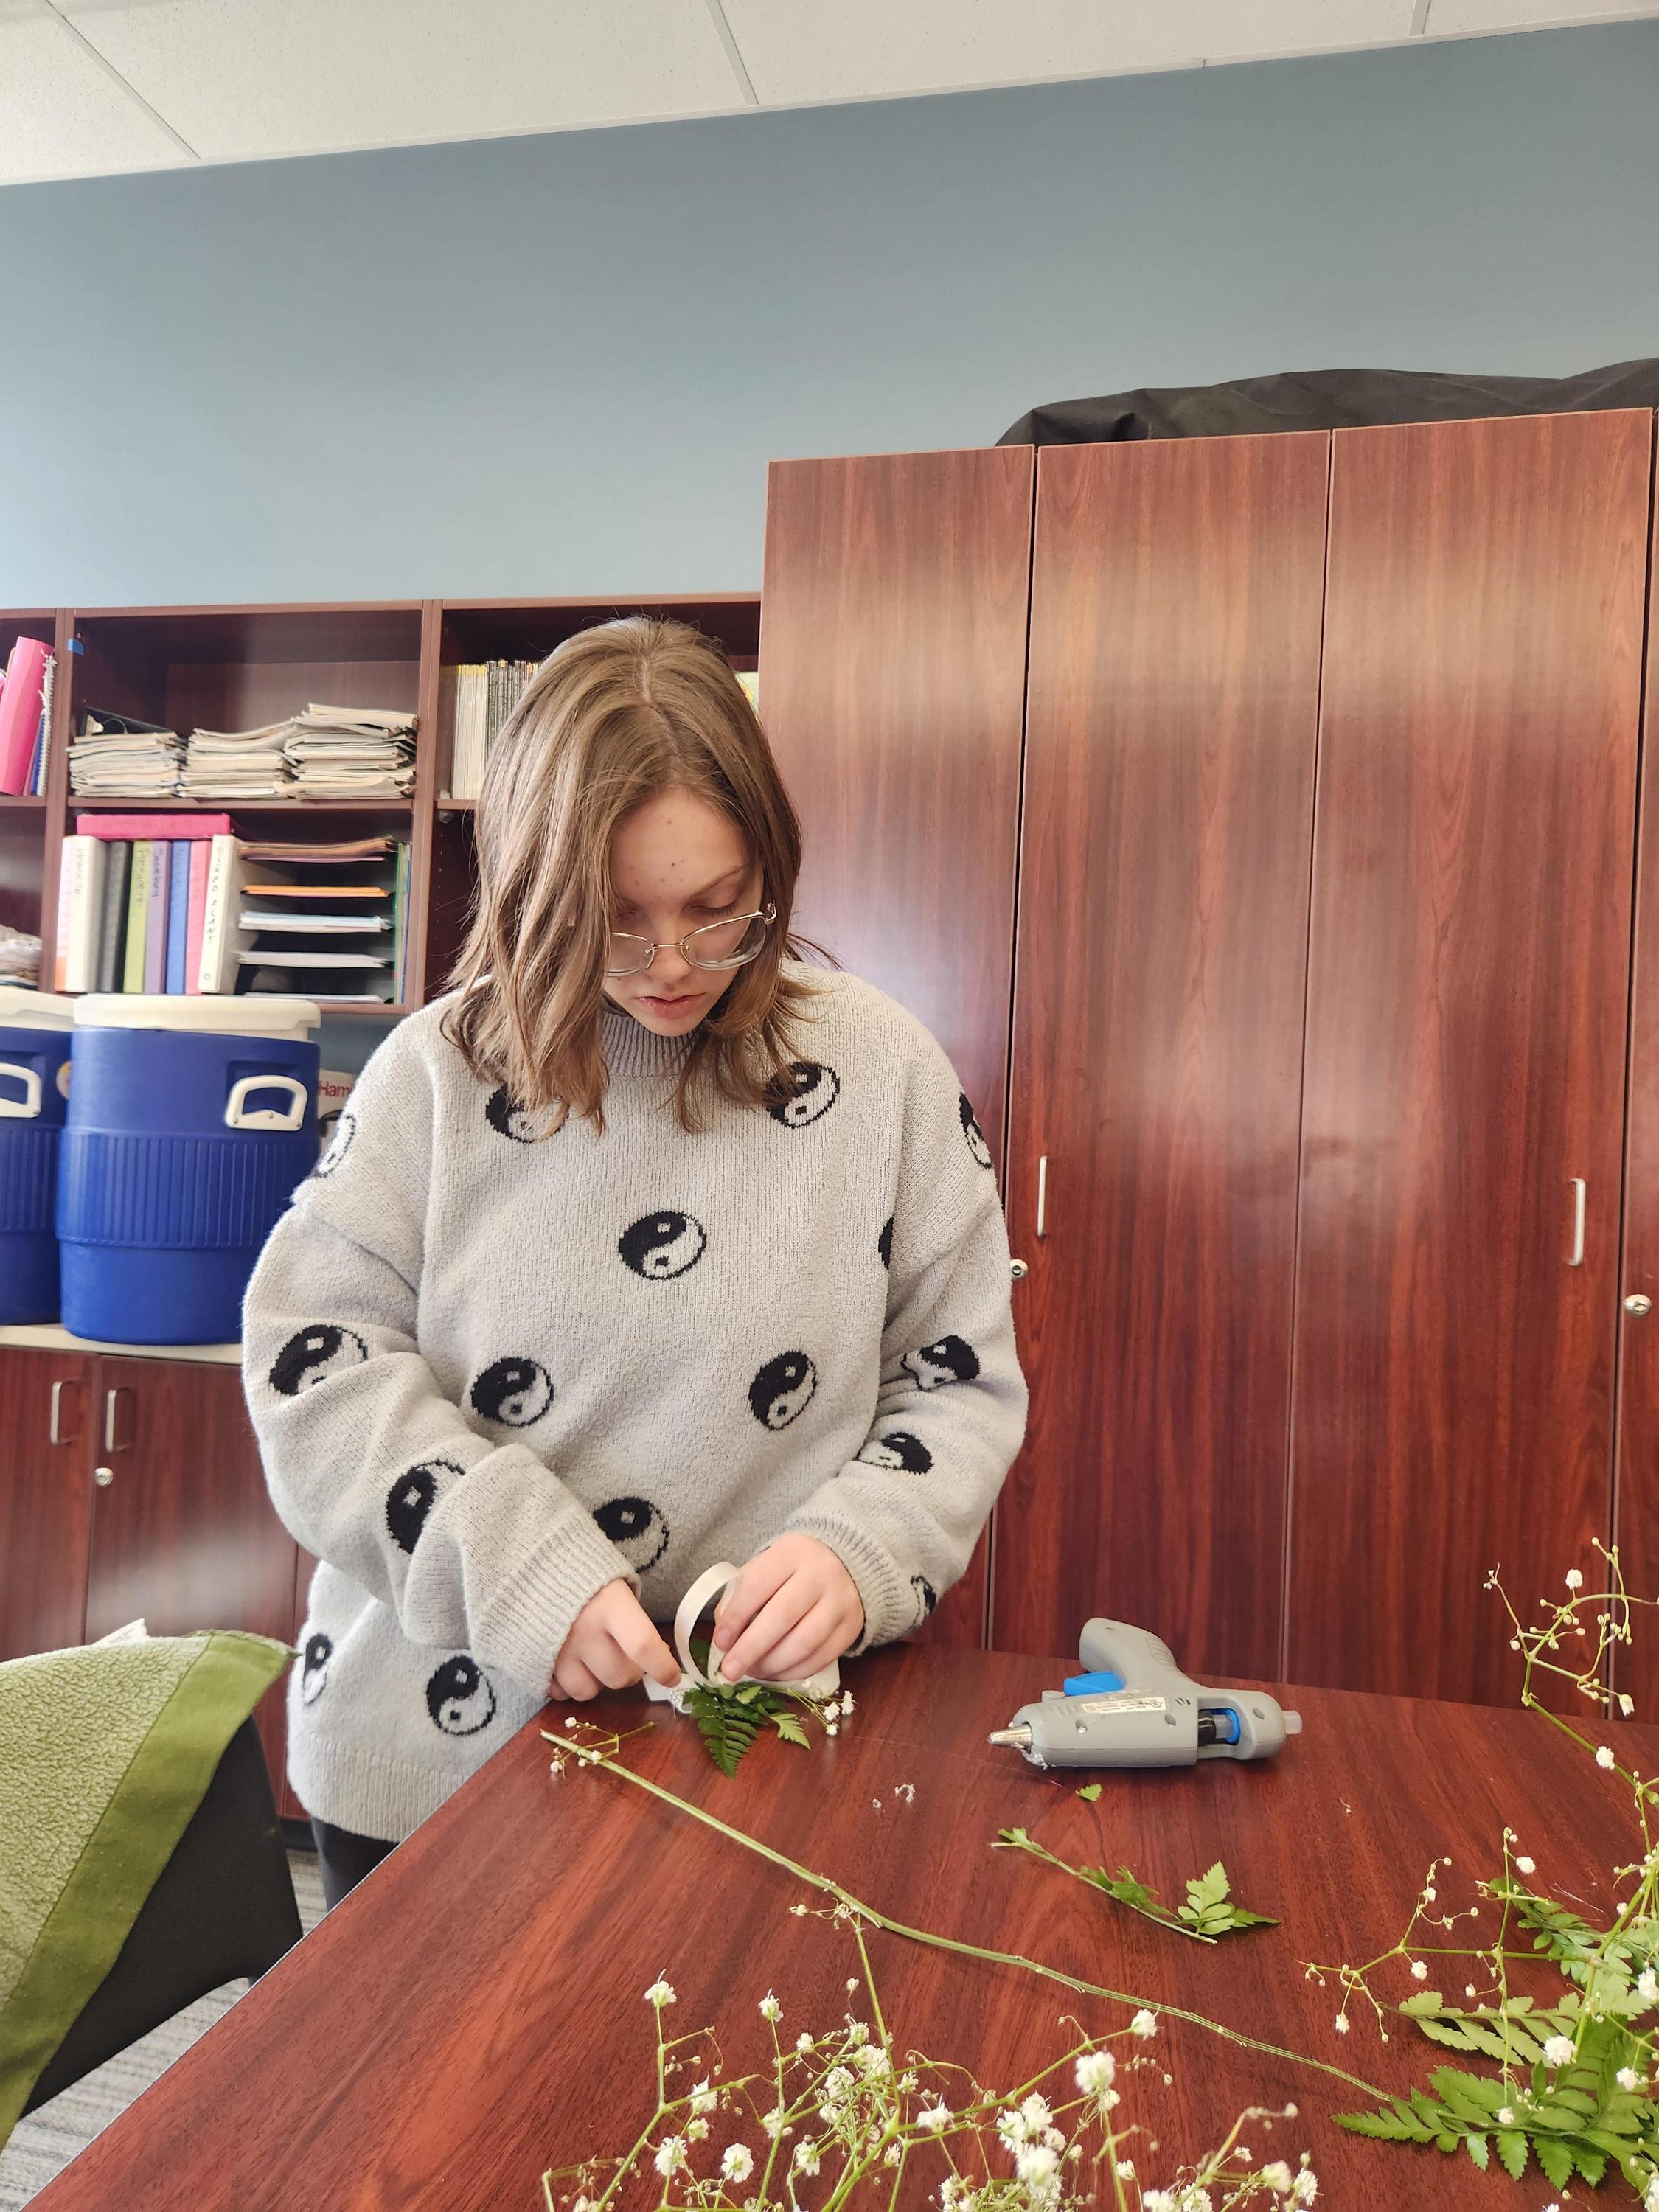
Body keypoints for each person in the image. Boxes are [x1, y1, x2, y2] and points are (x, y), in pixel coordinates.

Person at [241, 616, 1029, 1909]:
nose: (672, 968)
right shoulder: (433, 1073)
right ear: (533, 891)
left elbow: (955, 1383)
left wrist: (861, 1549)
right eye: (614, 922)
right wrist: (515, 1566)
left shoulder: (881, 1069)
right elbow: (313, 1370)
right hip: (433, 1761)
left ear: (769, 868)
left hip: (760, 1754)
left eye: (718, 912)